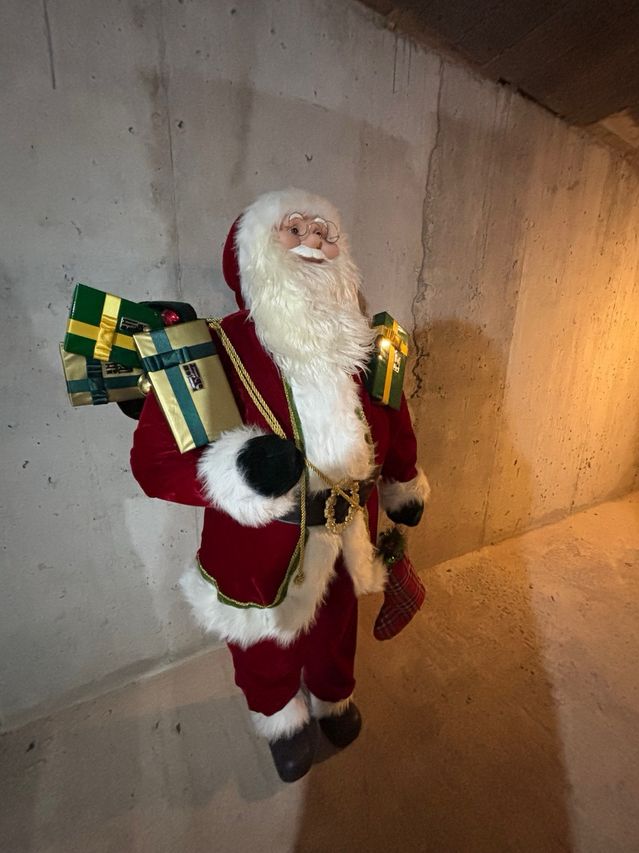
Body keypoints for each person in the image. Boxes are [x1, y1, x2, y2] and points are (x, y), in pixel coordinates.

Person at [130, 188, 429, 782]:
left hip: (350, 529)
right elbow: (155, 463)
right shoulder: (211, 348)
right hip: (260, 547)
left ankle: (334, 695)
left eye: (324, 231)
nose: (314, 238)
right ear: (252, 254)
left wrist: (403, 480)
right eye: (294, 228)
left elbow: (393, 417)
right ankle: (278, 715)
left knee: (337, 623)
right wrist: (237, 471)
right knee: (265, 639)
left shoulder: (364, 342)